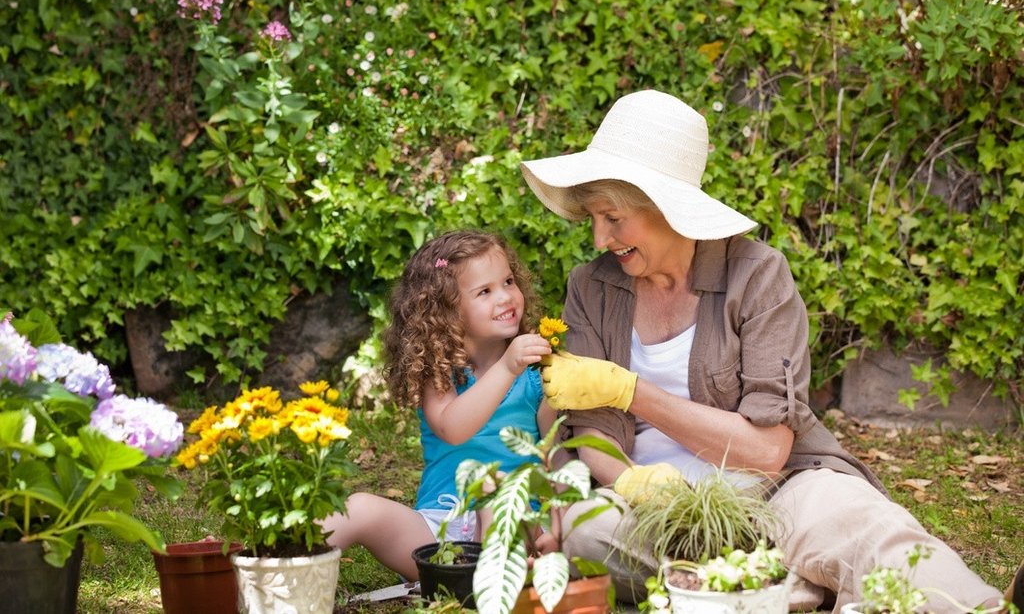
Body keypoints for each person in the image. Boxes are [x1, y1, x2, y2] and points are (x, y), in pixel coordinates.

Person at [519, 89, 1017, 612]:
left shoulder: (757, 275)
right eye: (594, 218)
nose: (599, 237)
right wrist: (634, 483)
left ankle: (982, 609)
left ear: (665, 207)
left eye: (612, 217)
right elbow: (592, 431)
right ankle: (782, 581)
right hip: (649, 509)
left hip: (776, 488)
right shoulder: (592, 287)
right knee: (585, 531)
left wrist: (635, 393)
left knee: (864, 524)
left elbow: (765, 451)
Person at [319, 230, 557, 581]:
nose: (506, 296)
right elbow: (453, 428)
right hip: (436, 533)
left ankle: (491, 587)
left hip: (513, 524)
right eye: (485, 291)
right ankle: (278, 567)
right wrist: (508, 367)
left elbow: (557, 456)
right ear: (447, 310)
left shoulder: (537, 376)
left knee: (499, 490)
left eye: (508, 281)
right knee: (357, 508)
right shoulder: (440, 372)